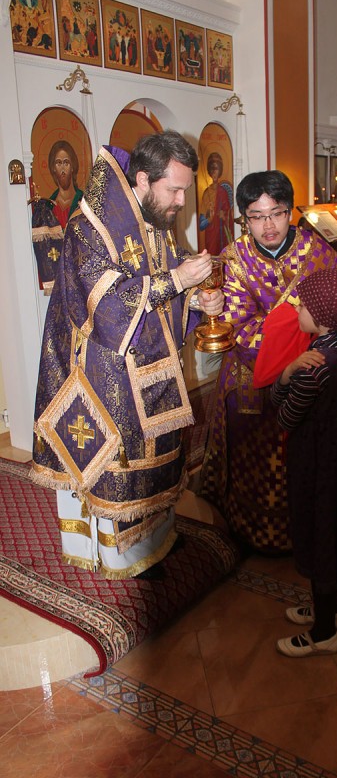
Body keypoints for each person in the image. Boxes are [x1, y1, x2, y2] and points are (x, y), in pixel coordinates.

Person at [30, 130, 223, 579]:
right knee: (120, 462)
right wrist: (178, 282)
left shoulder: (156, 224)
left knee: (158, 456)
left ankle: (153, 540)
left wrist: (194, 301)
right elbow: (109, 307)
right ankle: (115, 554)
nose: (180, 200)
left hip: (151, 367)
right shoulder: (89, 228)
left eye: (184, 190)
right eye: (173, 189)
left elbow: (158, 298)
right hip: (103, 372)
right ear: (142, 178)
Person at [199, 170, 337, 553]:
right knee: (253, 457)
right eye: (256, 216)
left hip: (308, 374)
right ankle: (249, 532)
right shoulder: (234, 259)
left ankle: (304, 529)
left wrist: (306, 339)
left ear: (290, 212)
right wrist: (298, 332)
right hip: (250, 378)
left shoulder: (318, 252)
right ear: (244, 219)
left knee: (304, 454)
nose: (268, 226)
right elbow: (237, 324)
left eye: (277, 213)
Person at [271, 269, 337, 656]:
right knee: (334, 527)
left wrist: (284, 375)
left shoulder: (313, 366)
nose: (297, 307)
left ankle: (324, 632)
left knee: (320, 532)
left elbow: (283, 416)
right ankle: (327, 610)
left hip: (318, 460)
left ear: (322, 315)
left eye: (303, 304)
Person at [31, 140, 84, 295]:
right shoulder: (46, 210)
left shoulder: (85, 203)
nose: (62, 168)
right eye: (58, 163)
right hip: (60, 286)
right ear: (53, 168)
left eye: (66, 163)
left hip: (82, 282)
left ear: (73, 167)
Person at [199, 152, 233, 255]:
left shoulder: (222, 191)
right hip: (210, 233)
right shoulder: (206, 193)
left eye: (217, 169)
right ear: (209, 171)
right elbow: (201, 224)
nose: (214, 172)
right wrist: (208, 218)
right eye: (212, 169)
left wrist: (223, 215)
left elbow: (228, 213)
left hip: (221, 231)